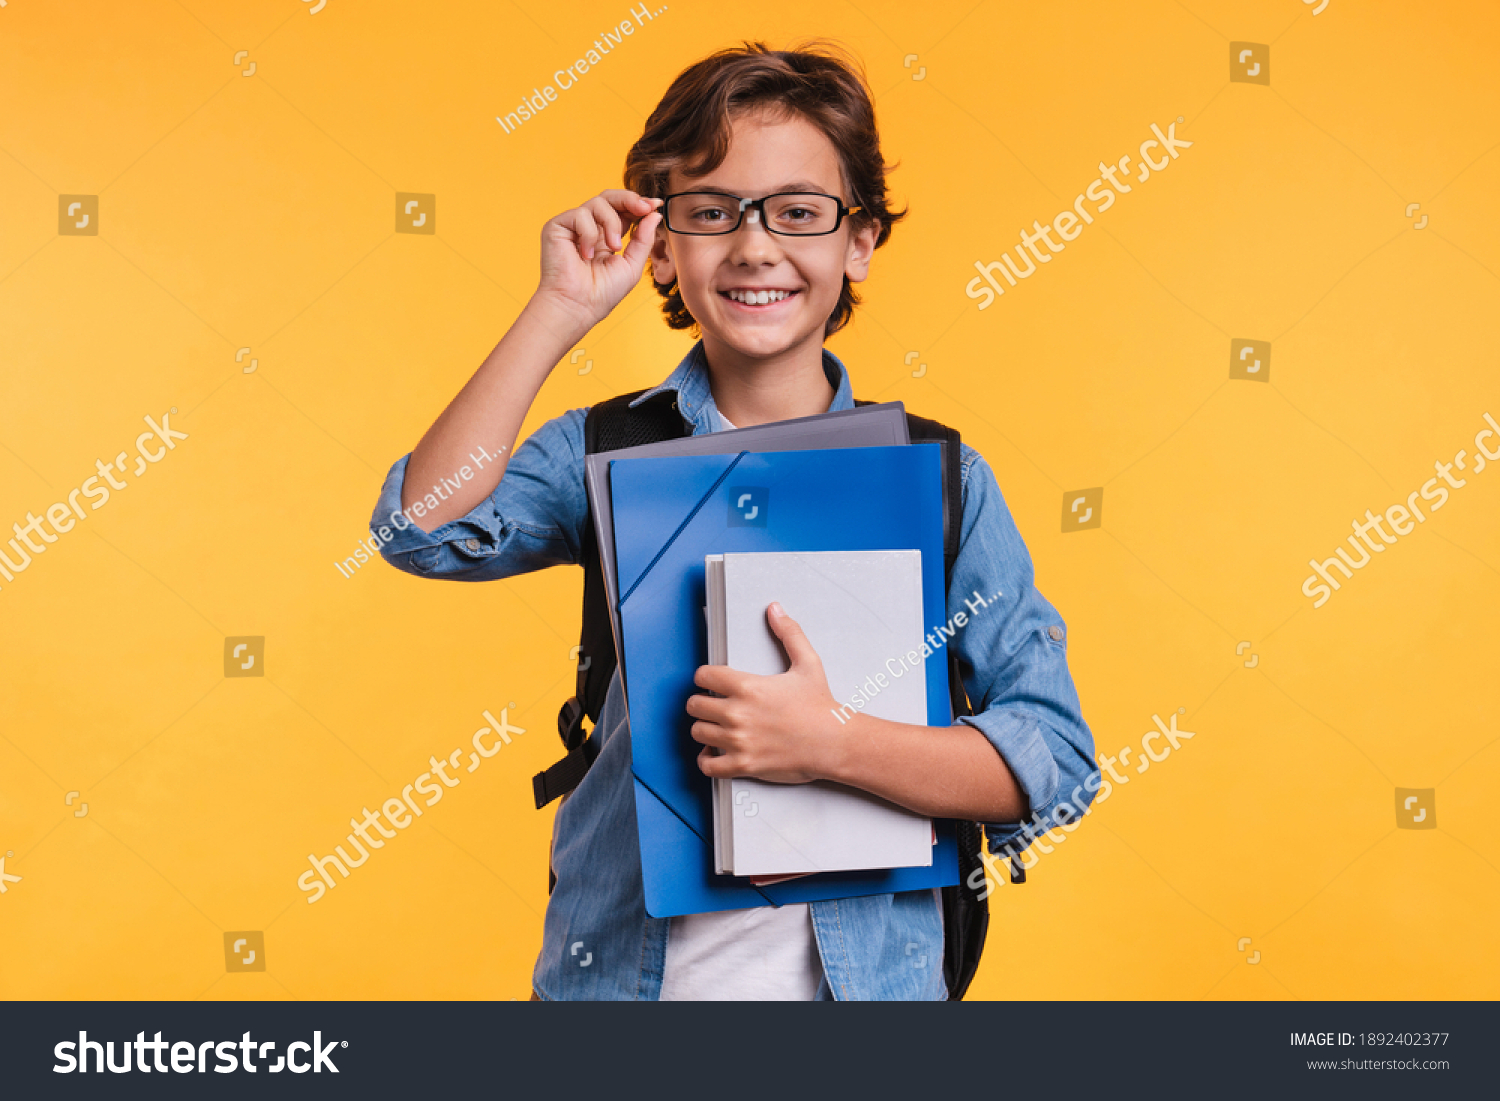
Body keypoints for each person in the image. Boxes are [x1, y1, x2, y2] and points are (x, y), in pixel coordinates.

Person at [371, 40, 1095, 1000]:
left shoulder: (939, 476)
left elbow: (1057, 760)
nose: (755, 247)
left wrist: (832, 743)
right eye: (712, 213)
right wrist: (557, 309)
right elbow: (419, 528)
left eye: (799, 213)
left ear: (860, 239)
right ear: (662, 244)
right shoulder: (604, 448)